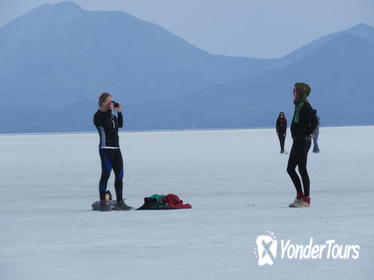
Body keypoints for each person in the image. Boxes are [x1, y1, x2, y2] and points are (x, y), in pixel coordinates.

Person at [93, 92, 133, 211]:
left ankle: (120, 201)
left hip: (116, 149)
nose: (112, 103)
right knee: (106, 174)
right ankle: (103, 201)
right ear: (103, 103)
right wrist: (110, 111)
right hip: (106, 149)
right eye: (110, 101)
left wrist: (119, 112)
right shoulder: (98, 116)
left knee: (119, 174)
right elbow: (106, 125)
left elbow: (119, 125)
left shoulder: (112, 115)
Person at [287, 83, 318, 208]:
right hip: (297, 141)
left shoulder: (305, 106)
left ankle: (306, 199)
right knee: (290, 169)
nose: (293, 92)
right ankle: (300, 196)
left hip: (302, 141)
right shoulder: (299, 106)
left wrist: (307, 133)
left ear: (300, 92)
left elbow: (314, 120)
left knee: (302, 169)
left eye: (295, 90)